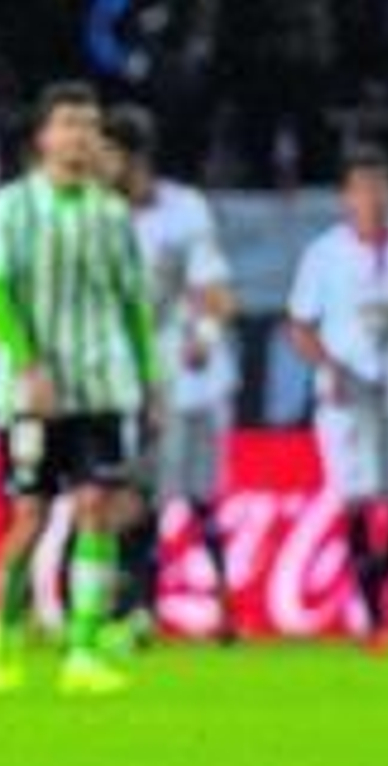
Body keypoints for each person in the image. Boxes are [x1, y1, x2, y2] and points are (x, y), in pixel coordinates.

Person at [0, 81, 158, 696]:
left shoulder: (112, 214)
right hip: (28, 393)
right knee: (29, 515)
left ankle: (81, 649)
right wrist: (27, 364)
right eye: (69, 124)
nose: (80, 136)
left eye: (89, 124)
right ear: (44, 136)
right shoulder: (13, 206)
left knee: (95, 508)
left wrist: (150, 379)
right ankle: (1, 624)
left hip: (99, 386)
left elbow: (133, 303)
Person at [98, 105, 239, 647]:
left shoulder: (184, 211)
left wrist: (201, 338)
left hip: (187, 382)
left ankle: (214, 604)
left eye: (108, 155)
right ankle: (136, 610)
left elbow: (216, 291)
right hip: (119, 377)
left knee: (191, 495)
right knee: (131, 493)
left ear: (133, 159)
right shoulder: (96, 216)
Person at [287, 144, 388, 651]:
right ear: (346, 196)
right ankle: (373, 619)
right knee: (359, 500)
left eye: (380, 187)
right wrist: (329, 365)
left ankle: (382, 586)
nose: (372, 198)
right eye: (362, 188)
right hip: (346, 399)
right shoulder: (324, 254)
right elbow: (299, 326)